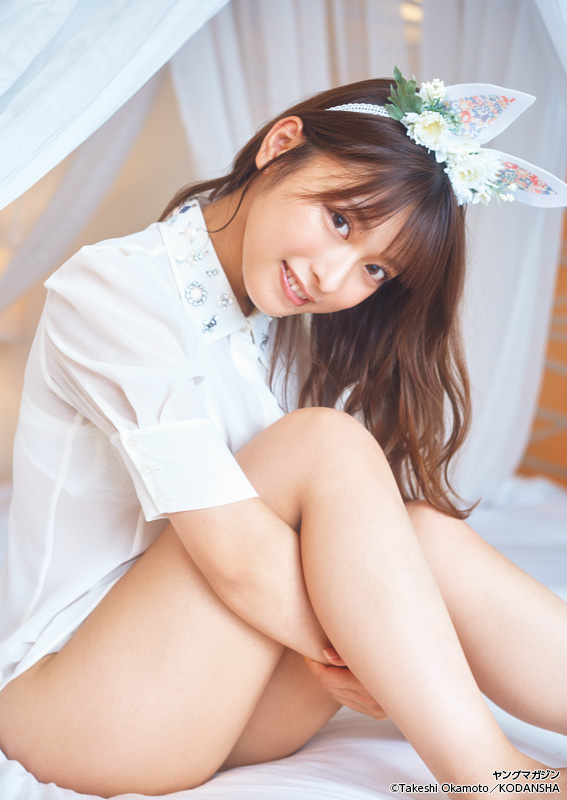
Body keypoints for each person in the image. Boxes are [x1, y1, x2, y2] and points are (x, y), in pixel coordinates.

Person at [0, 71, 565, 798]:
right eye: (341, 221)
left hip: (220, 690)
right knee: (323, 442)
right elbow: (236, 555)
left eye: (373, 269)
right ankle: (493, 777)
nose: (334, 279)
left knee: (420, 533)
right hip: (84, 712)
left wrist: (388, 642)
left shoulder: (272, 325)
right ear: (280, 144)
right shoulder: (111, 290)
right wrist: (382, 657)